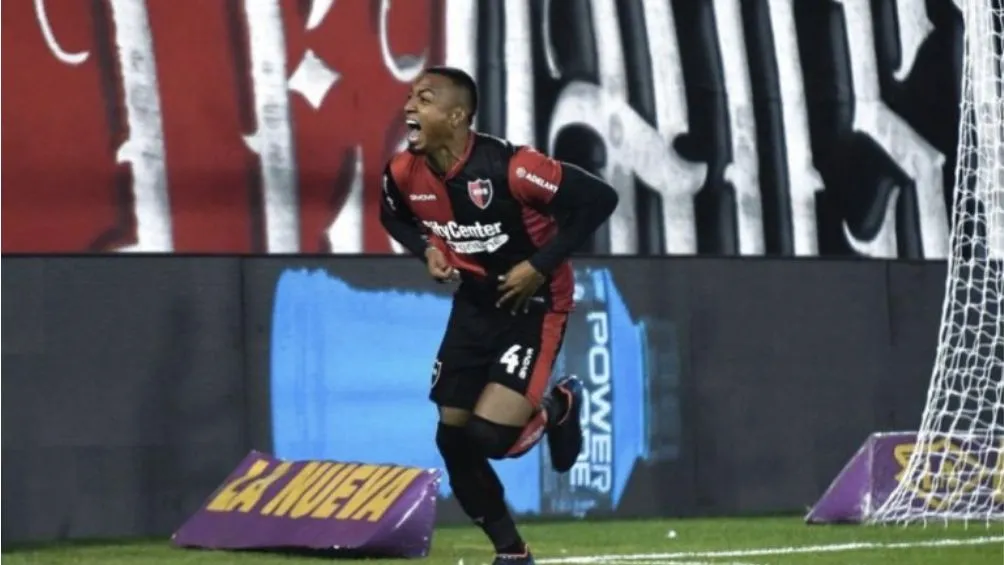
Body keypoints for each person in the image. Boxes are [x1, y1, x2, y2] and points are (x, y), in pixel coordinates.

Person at [380, 66, 618, 565]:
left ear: (457, 115)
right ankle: (512, 553)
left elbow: (600, 200)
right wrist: (427, 248)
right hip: (474, 304)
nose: (409, 108)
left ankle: (558, 406)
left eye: (423, 99)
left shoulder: (513, 168)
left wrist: (538, 265)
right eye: (408, 97)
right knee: (452, 437)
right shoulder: (403, 171)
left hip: (533, 303)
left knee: (489, 437)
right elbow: (393, 216)